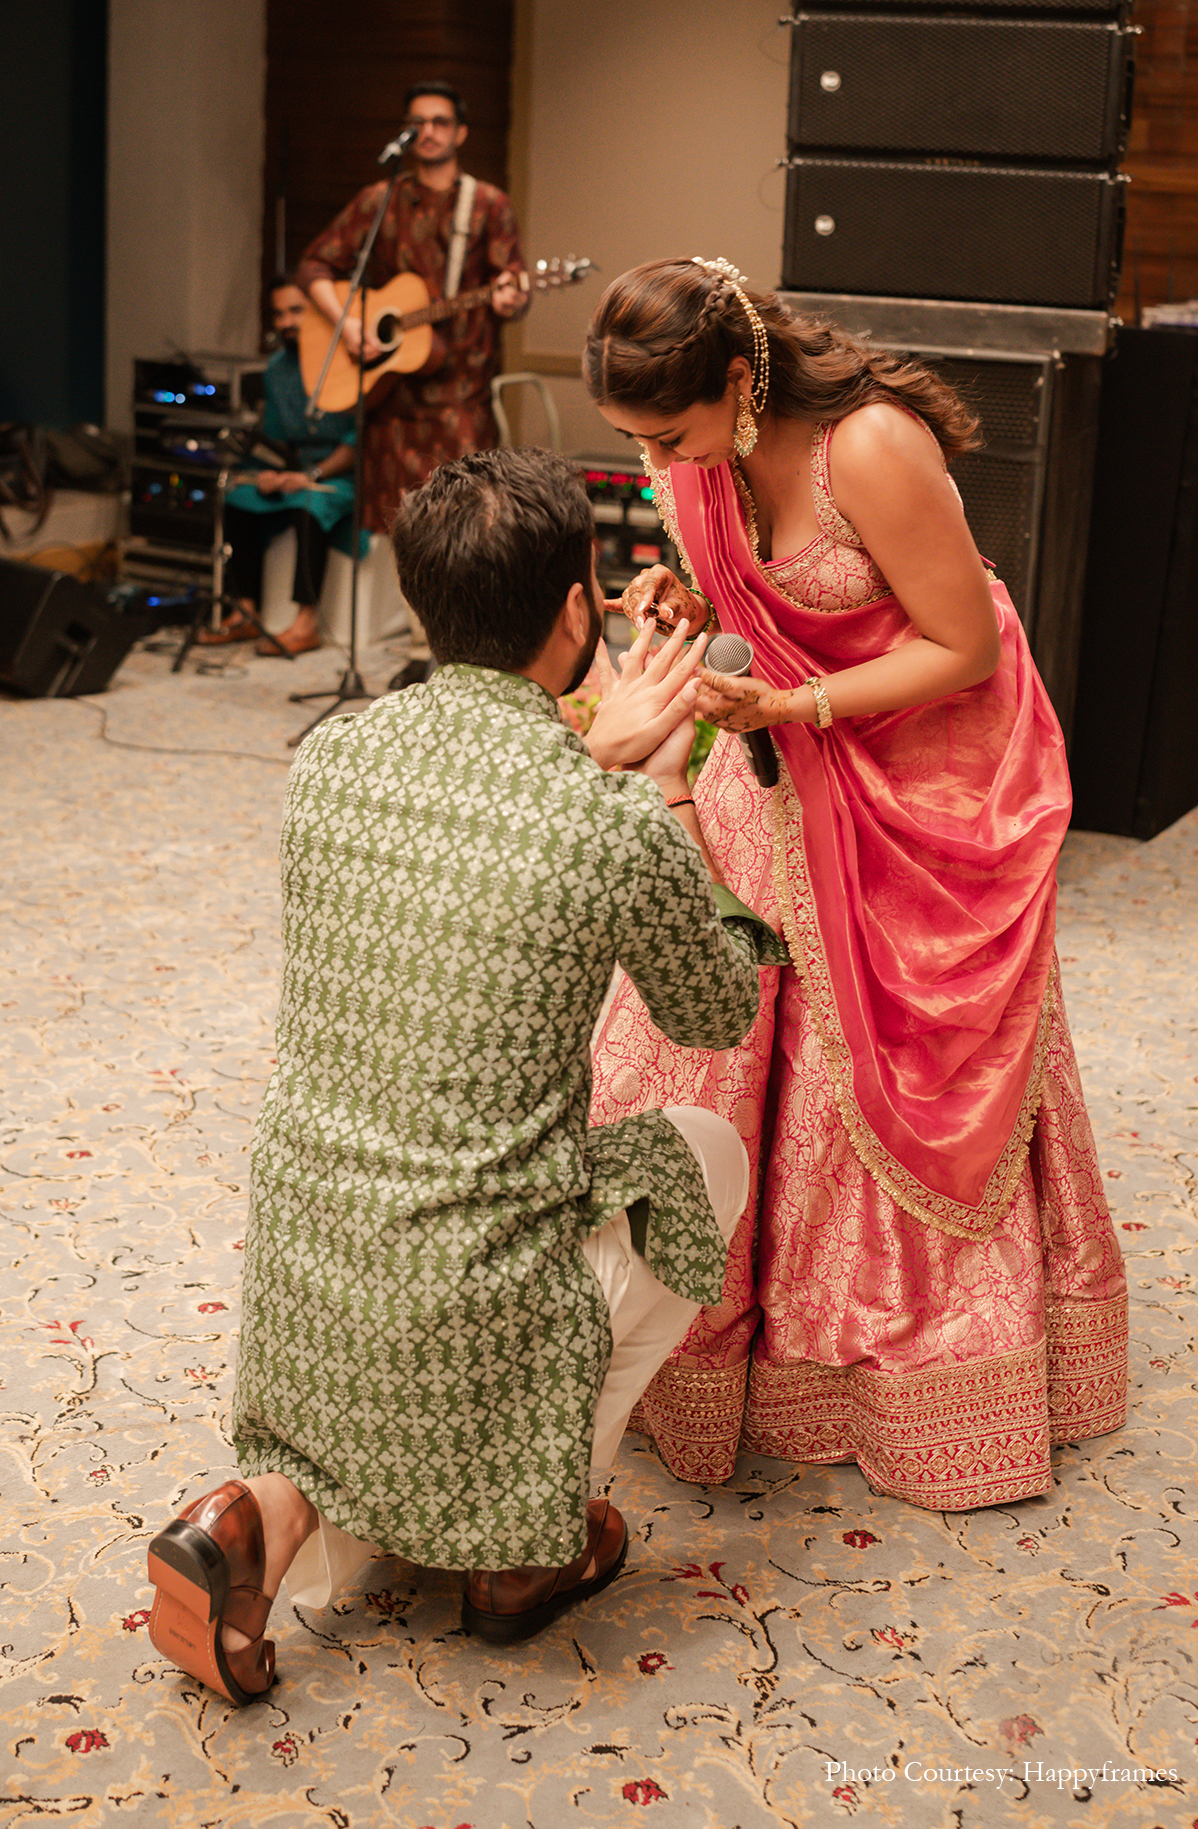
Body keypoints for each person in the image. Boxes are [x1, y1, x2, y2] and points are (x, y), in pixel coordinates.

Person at [144, 445, 787, 1704]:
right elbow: (713, 1008)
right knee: (706, 1148)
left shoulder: (333, 756)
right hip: (472, 1282)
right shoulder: (601, 817)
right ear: (572, 607)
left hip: (304, 1269)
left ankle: (259, 1513)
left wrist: (589, 766)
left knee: (403, 1304)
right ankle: (524, 1547)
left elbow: (482, 839)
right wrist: (660, 793)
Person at [582, 256, 1128, 1510]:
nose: (657, 460)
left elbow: (963, 643)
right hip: (781, 747)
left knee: (871, 1066)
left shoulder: (867, 447)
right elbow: (751, 590)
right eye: (635, 440)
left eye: (668, 433)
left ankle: (880, 1369)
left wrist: (791, 699)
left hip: (918, 767)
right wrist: (689, 590)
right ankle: (699, 1347)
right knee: (704, 1023)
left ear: (738, 375)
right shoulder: (696, 453)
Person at [296, 82, 529, 536]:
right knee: (400, 533)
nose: (428, 132)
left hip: (460, 398)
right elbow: (313, 265)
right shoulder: (379, 200)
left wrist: (512, 298)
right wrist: (348, 326)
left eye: (440, 122)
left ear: (460, 133)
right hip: (391, 399)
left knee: (464, 530)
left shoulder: (487, 204)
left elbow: (512, 287)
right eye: (417, 123)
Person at [200, 278, 359, 657]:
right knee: (239, 499)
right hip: (295, 468)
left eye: (296, 310)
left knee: (311, 506)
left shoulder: (349, 360)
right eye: (279, 313)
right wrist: (265, 473)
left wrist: (312, 476)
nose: (286, 321)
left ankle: (306, 623)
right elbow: (272, 436)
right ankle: (245, 612)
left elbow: (359, 440)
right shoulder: (276, 369)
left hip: (340, 473)